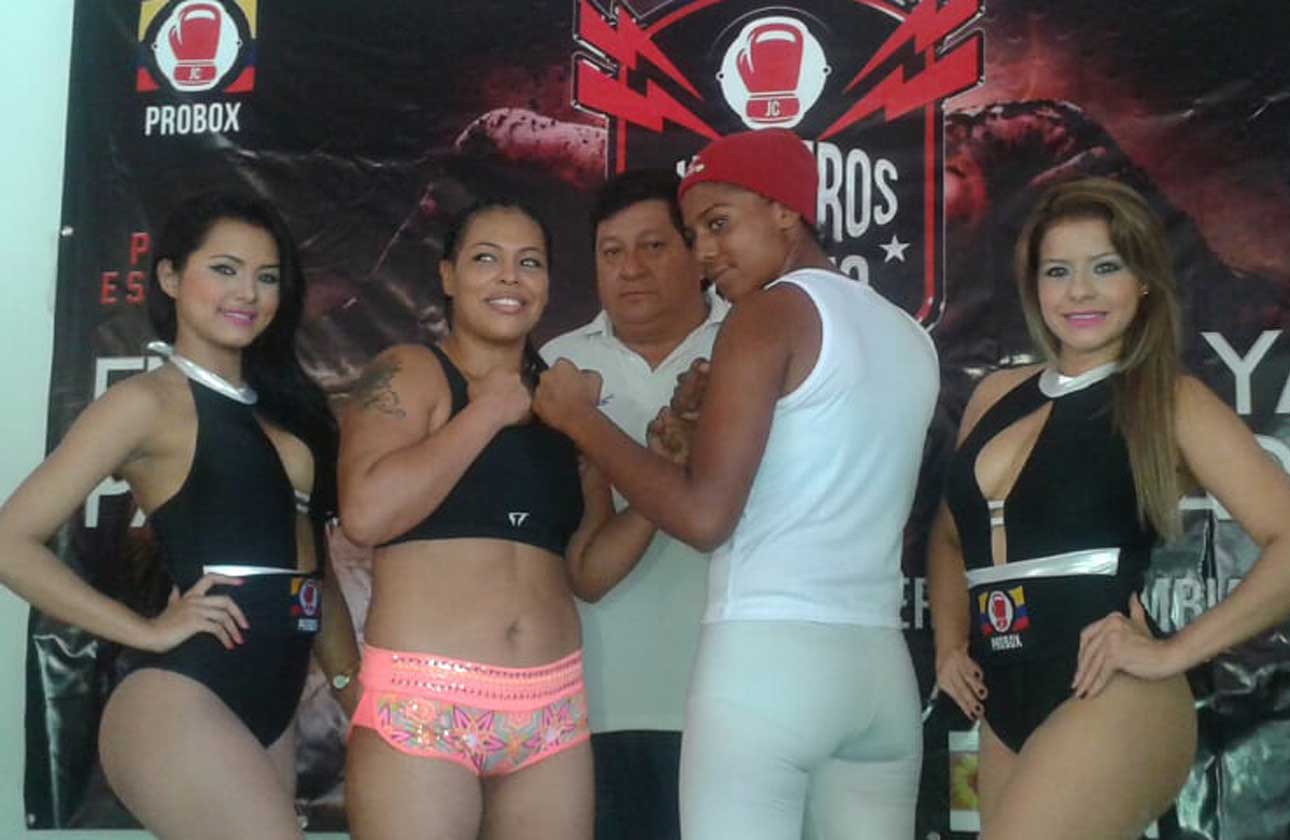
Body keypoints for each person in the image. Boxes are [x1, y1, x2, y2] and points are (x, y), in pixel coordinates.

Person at [533, 129, 939, 840]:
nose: (706, 253)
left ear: (785, 211)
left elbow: (704, 517)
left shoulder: (765, 315)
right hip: (880, 670)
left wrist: (581, 422)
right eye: (696, 234)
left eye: (720, 224)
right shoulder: (908, 334)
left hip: (767, 665)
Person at [928, 176, 1290, 839]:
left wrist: (1171, 653)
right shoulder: (994, 395)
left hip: (1112, 695)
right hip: (1004, 696)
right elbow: (952, 537)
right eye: (1058, 271)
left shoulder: (1166, 398)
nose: (1080, 291)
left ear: (1144, 280)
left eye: (1106, 267)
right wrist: (951, 643)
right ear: (1034, 287)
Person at [0, 192, 359, 839]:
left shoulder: (285, 409)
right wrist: (144, 630)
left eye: (266, 276)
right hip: (182, 699)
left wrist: (349, 686)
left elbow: (315, 571)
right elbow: (10, 542)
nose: (246, 291)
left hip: (271, 708)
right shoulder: (147, 403)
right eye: (224, 268)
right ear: (170, 276)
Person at [338, 196, 653, 840]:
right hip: (425, 705)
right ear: (448, 276)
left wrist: (661, 476)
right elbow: (365, 515)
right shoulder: (410, 371)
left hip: (550, 713)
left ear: (548, 284)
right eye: (486, 259)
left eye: (529, 262)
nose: (510, 276)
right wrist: (487, 410)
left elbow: (588, 573)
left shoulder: (564, 404)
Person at [540, 168, 726, 840]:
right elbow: (565, 555)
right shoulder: (557, 370)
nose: (630, 270)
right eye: (611, 252)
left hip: (731, 699)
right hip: (590, 705)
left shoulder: (750, 347)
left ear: (696, 254)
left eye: (653, 247)